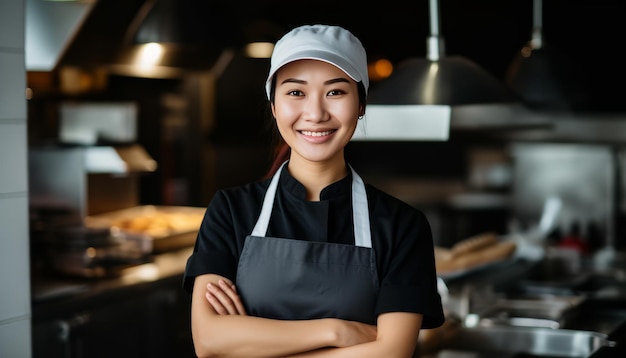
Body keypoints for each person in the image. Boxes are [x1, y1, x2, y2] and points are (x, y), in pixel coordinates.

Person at [183, 24, 445, 358]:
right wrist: (338, 330)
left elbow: (392, 353)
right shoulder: (231, 212)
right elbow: (208, 342)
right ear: (274, 105)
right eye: (296, 93)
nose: (316, 113)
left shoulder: (402, 226)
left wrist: (249, 345)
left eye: (335, 92)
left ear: (361, 104)